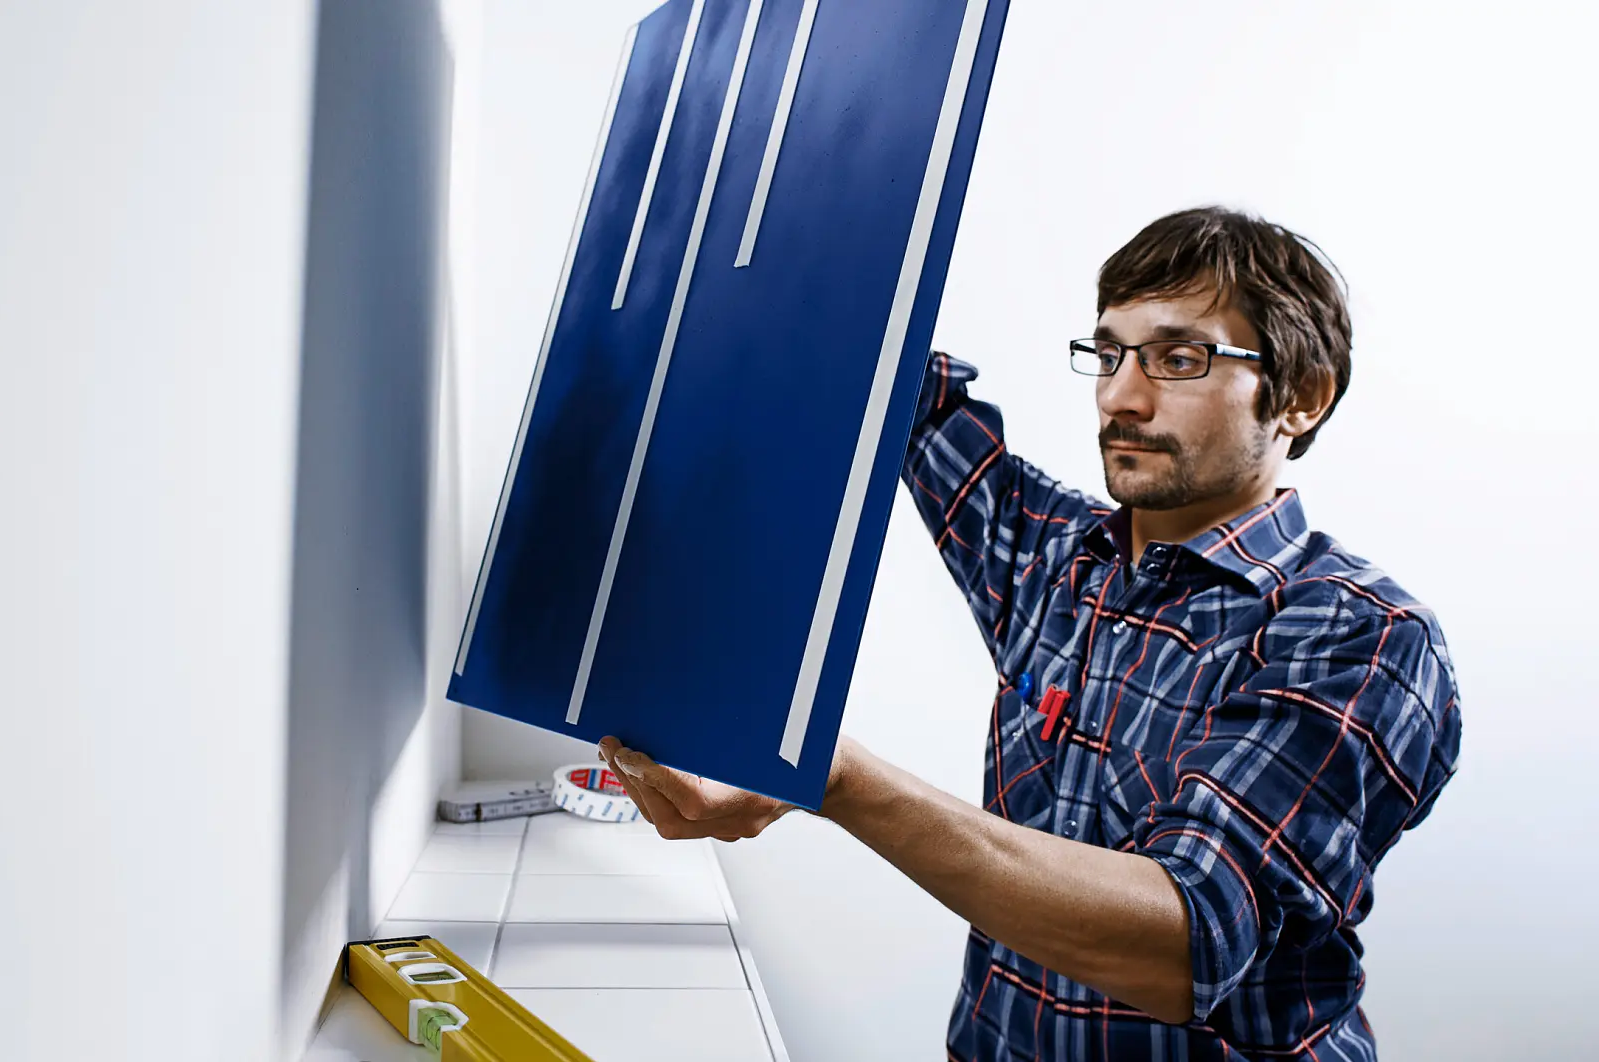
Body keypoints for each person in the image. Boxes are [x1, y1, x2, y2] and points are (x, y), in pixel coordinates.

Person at [598, 206, 1461, 1061]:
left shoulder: (1360, 636)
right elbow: (892, 379)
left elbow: (1182, 941)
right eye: (1110, 353)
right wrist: (772, 229)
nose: (1121, 396)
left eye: (1178, 358)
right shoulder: (1055, 557)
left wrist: (837, 780)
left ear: (1301, 399)